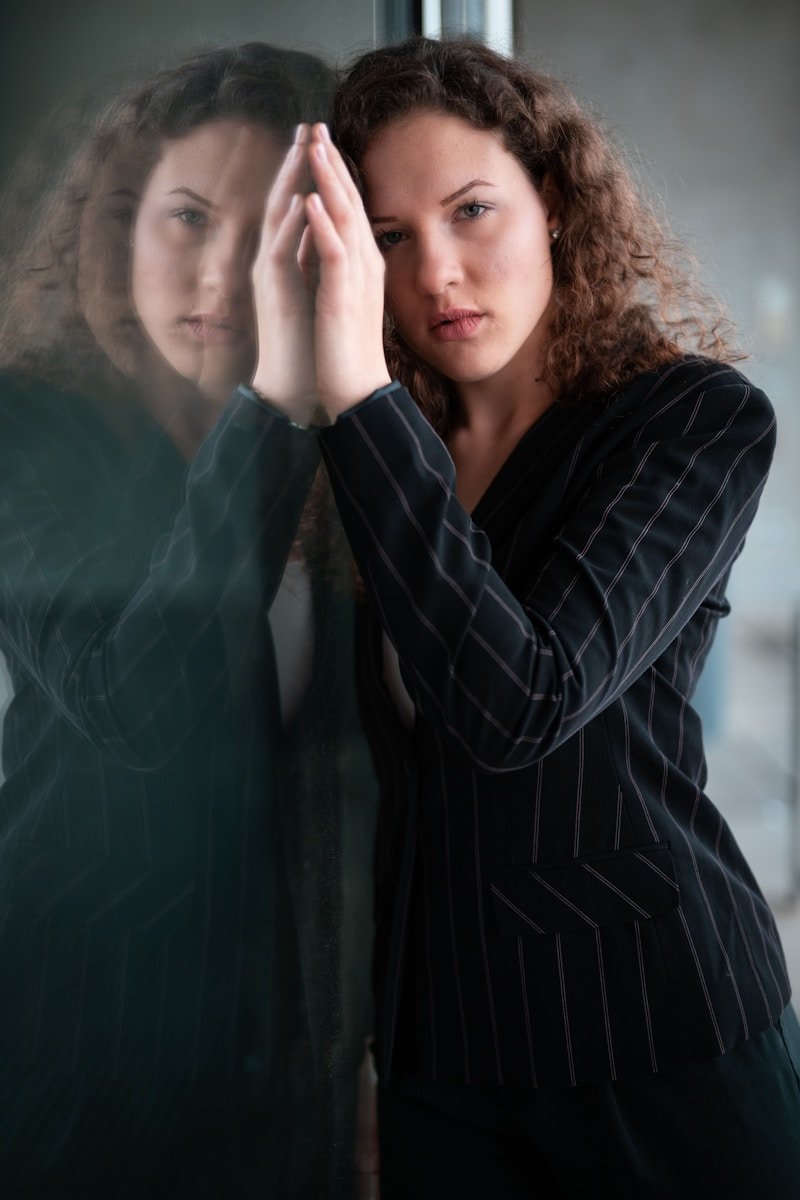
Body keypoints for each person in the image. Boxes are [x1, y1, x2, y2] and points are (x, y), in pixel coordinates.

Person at [254, 36, 800, 1198]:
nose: (435, 271)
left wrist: (355, 395)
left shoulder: (692, 423)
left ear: (550, 200)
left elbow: (522, 702)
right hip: (442, 1051)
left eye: (470, 210)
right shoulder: (377, 449)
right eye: (389, 238)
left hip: (650, 1031)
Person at [0, 43, 374, 1198]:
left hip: (287, 1075)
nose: (219, 276)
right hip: (76, 1049)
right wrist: (271, 408)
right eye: (185, 217)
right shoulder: (27, 431)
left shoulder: (351, 460)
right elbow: (137, 698)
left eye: (264, 225)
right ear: (119, 225)